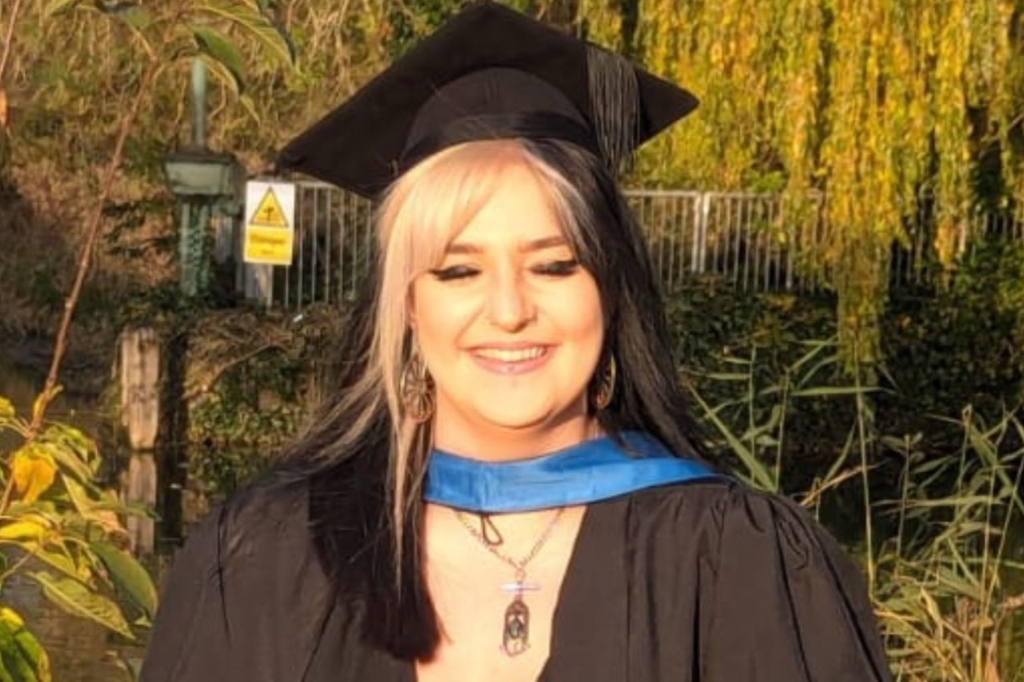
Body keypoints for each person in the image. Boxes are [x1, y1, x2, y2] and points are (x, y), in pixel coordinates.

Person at [140, 2, 891, 681]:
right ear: (406, 305)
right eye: (458, 269)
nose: (508, 310)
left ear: (610, 285)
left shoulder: (738, 560)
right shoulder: (264, 557)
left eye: (555, 264)